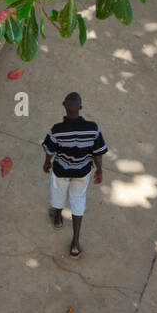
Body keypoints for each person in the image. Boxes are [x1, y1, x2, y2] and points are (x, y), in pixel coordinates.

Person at [42, 92, 108, 258]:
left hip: (61, 170)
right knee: (78, 200)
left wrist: (47, 162)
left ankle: (57, 219)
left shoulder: (57, 130)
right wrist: (99, 170)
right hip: (82, 171)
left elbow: (49, 150)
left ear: (64, 105)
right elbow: (97, 153)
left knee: (58, 194)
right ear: (81, 107)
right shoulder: (93, 129)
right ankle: (75, 244)